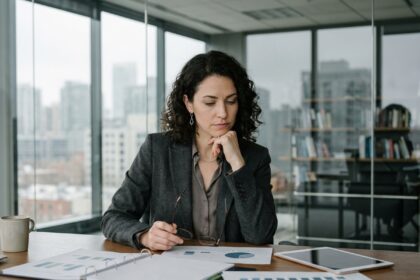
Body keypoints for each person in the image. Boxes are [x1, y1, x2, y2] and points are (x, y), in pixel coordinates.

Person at [102, 50, 278, 251]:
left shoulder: (256, 157)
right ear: (188, 103)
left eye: (231, 101)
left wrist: (238, 165)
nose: (223, 113)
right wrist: (144, 235)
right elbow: (113, 218)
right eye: (210, 102)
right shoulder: (157, 149)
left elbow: (261, 236)